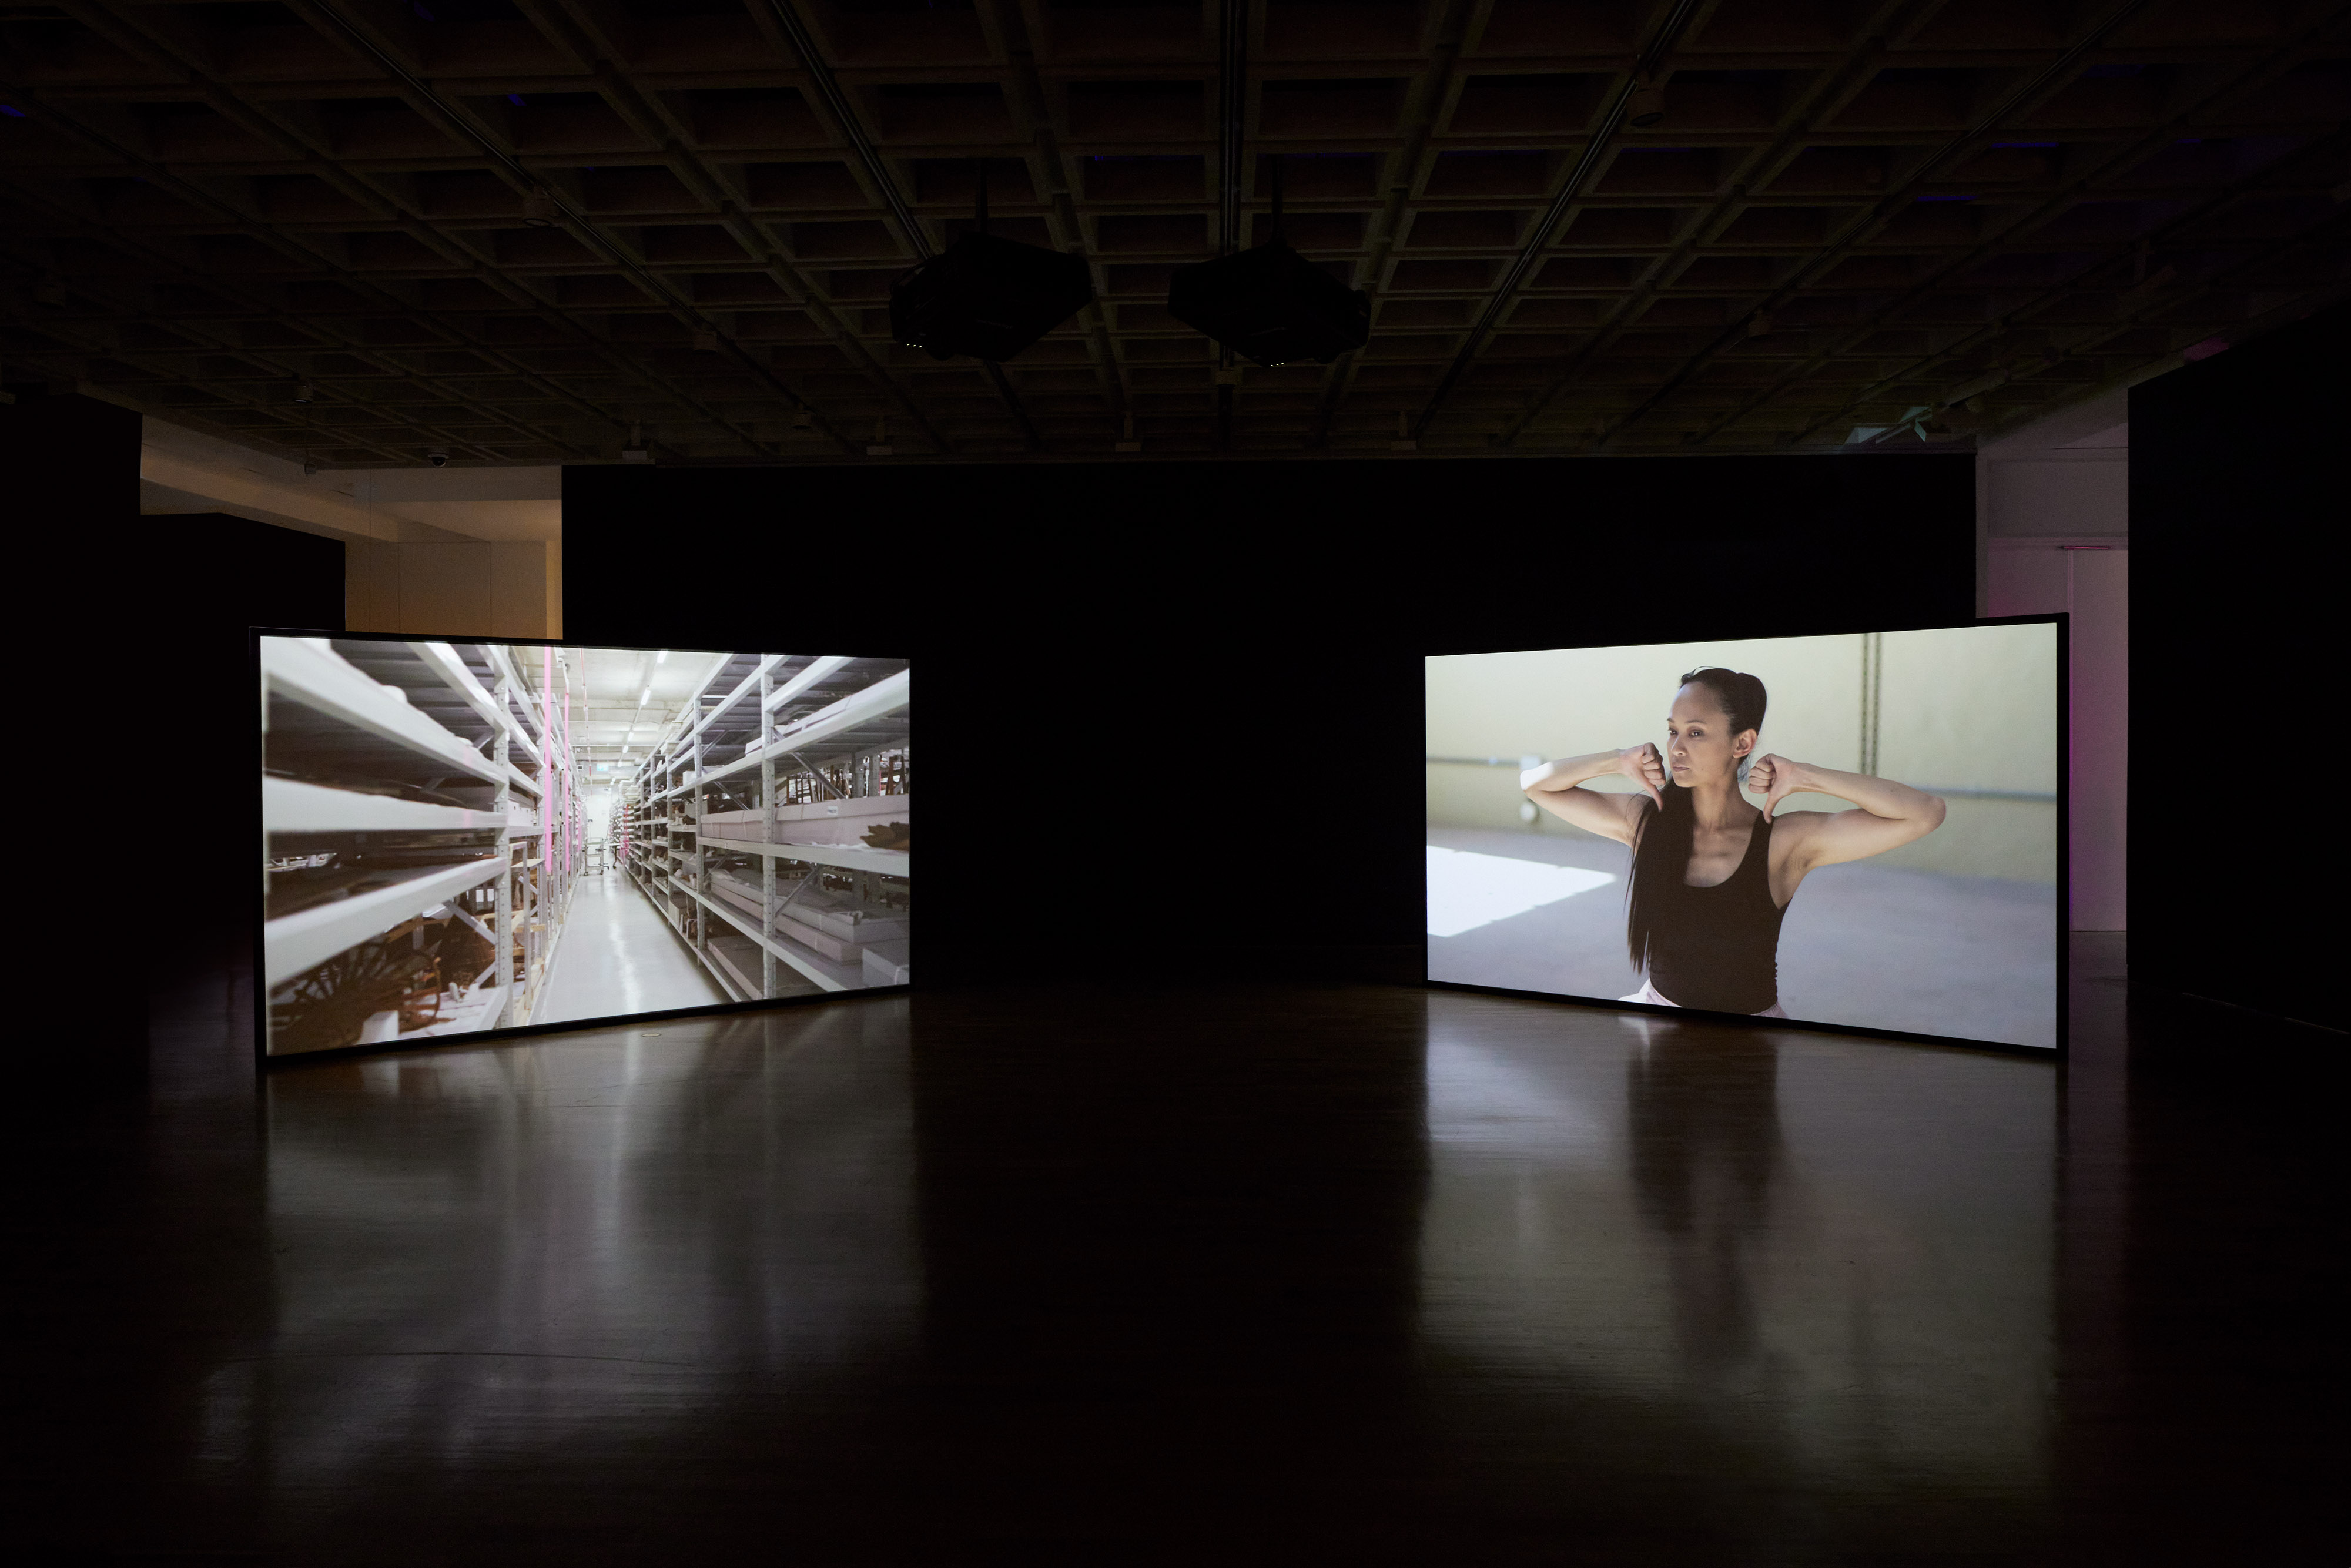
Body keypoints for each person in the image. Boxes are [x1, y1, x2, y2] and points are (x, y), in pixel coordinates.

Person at [1517, 667, 1946, 1017]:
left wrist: (1806, 776)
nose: (1675, 748)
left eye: (1696, 733)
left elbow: (1925, 812)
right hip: (1658, 1026)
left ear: (1743, 743)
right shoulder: (1649, 822)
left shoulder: (1783, 842)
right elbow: (1535, 785)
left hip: (1750, 1044)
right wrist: (1616, 760)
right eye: (1673, 731)